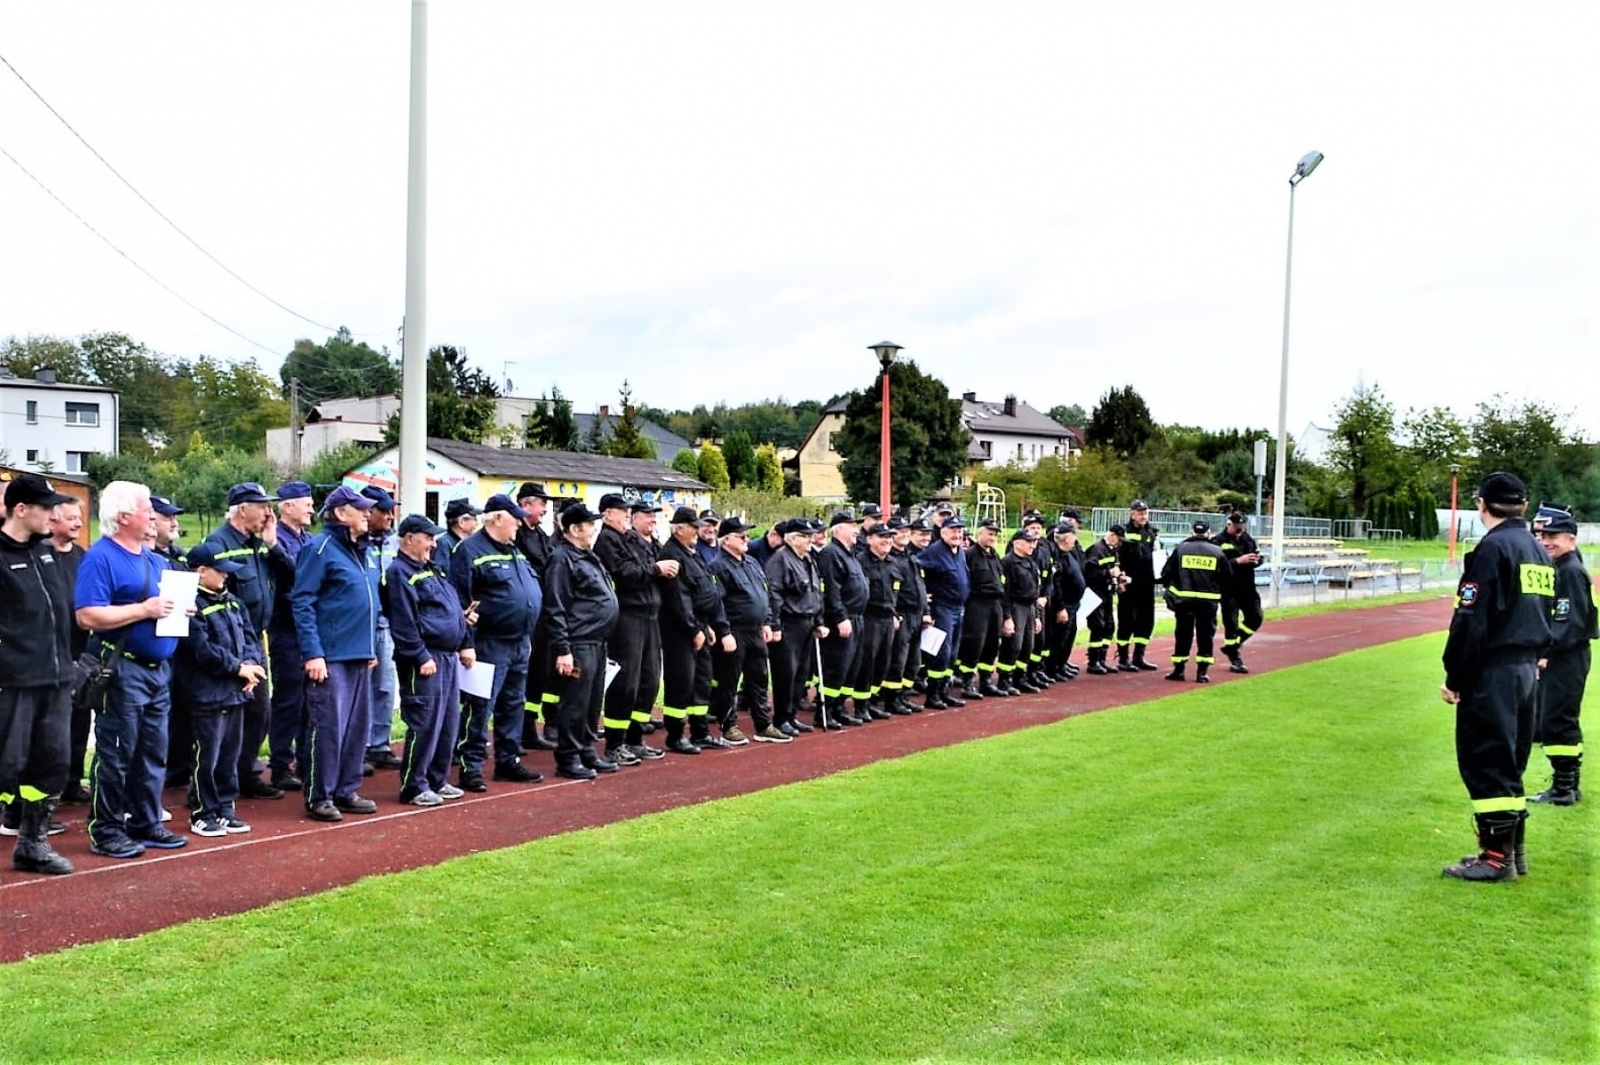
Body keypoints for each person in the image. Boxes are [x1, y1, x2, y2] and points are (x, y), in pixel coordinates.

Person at [1440, 472, 1554, 882]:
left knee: (1486, 758)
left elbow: (1470, 621)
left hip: (1494, 671)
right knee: (1510, 760)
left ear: (1482, 505)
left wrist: (1455, 677)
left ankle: (1495, 857)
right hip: (1526, 670)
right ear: (1523, 506)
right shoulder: (1537, 551)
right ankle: (1513, 851)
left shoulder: (1493, 549)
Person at [76, 480, 189, 858]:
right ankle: (106, 830)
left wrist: (179, 609)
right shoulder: (101, 557)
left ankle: (144, 820)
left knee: (153, 750)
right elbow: (87, 614)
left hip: (158, 670)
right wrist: (144, 610)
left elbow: (162, 604)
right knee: (118, 752)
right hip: (122, 669)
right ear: (124, 517)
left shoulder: (154, 558)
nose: (154, 516)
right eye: (147, 510)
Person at [1, 473, 79, 875]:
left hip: (56, 681)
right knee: (5, 764)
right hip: (13, 683)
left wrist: (76, 664)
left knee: (51, 762)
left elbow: (65, 614)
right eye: (47, 507)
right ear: (21, 509)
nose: (55, 514)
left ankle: (32, 842)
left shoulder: (46, 554)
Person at [290, 486, 383, 823]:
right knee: (328, 727)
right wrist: (313, 653)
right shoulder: (320, 549)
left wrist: (370, 645)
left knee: (357, 727)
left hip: (359, 653)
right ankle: (320, 795)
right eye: (360, 509)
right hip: (330, 656)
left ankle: (346, 788)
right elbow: (302, 602)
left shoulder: (364, 551)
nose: (366, 514)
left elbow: (370, 602)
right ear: (341, 513)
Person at [449, 494, 544, 789]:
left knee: (513, 704)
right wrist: (466, 642)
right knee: (480, 707)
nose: (519, 523)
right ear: (497, 518)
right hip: (489, 643)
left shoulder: (513, 549)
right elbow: (460, 602)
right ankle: (471, 765)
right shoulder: (470, 551)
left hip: (518, 641)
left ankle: (508, 760)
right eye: (514, 518)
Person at [202, 482, 286, 801]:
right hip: (229, 645)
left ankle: (245, 772)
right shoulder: (218, 544)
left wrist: (274, 544)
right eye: (262, 506)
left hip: (256, 640)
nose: (268, 512)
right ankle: (217, 783)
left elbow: (291, 576)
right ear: (242, 509)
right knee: (229, 717)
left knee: (259, 713)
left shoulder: (259, 543)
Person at [382, 514, 473, 807]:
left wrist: (462, 622)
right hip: (425, 658)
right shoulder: (399, 572)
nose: (434, 543)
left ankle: (436, 778)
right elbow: (404, 620)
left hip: (446, 657)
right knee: (425, 719)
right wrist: (419, 655)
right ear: (410, 538)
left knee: (448, 719)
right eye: (428, 537)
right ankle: (414, 784)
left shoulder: (432, 569)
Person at [177, 543, 267, 837]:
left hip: (237, 691)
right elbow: (201, 650)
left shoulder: (234, 602)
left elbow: (251, 639)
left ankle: (226, 808)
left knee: (230, 754)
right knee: (208, 756)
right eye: (220, 571)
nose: (226, 577)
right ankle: (203, 811)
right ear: (201, 572)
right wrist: (238, 668)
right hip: (207, 694)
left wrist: (252, 667)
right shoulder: (190, 605)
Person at [543, 502, 621, 779]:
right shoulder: (562, 559)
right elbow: (556, 606)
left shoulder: (586, 556)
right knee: (574, 701)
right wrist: (563, 649)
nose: (594, 530)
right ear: (575, 529)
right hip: (578, 644)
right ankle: (568, 756)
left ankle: (586, 749)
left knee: (591, 702)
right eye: (590, 525)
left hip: (597, 641)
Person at [594, 495, 673, 765]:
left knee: (649, 681)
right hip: (628, 616)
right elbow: (624, 572)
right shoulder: (607, 539)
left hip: (649, 615)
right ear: (608, 514)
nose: (627, 515)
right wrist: (655, 569)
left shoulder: (631, 538)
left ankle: (635, 738)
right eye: (622, 511)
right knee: (626, 682)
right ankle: (615, 743)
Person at [1529, 503, 1594, 805]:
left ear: (1571, 538)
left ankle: (1564, 788)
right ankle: (1566, 785)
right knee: (1555, 718)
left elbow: (1569, 623)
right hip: (1564, 655)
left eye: (1552, 535)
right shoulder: (1563, 567)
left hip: (1566, 657)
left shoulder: (1570, 571)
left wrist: (1544, 651)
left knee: (1558, 721)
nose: (1545, 541)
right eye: (1541, 534)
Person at [659, 505, 734, 751]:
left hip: (700, 625)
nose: (697, 532)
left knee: (701, 681)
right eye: (694, 528)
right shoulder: (671, 553)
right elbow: (678, 599)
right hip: (681, 631)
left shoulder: (691, 552)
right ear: (680, 529)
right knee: (681, 682)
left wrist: (707, 626)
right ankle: (675, 735)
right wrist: (694, 630)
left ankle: (700, 731)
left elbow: (705, 590)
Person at [266, 480, 316, 791]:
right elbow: (300, 578)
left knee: (309, 700)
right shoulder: (275, 540)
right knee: (288, 698)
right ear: (287, 507)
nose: (311, 507)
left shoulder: (306, 538)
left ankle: (303, 759)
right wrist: (273, 547)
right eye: (305, 502)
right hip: (286, 628)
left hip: (307, 628)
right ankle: (281, 764)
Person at [707, 515, 771, 742]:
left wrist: (767, 621)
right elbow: (717, 603)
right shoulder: (718, 566)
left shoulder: (751, 563)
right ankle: (728, 726)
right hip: (735, 631)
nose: (747, 538)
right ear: (726, 541)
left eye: (747, 534)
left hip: (755, 630)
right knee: (728, 681)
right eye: (741, 535)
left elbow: (764, 593)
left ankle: (764, 725)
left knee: (759, 679)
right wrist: (725, 632)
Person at [49, 497, 94, 805]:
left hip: (79, 652)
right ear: (52, 521)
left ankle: (73, 782)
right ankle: (45, 790)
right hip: (48, 654)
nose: (78, 523)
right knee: (51, 727)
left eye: (80, 517)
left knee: (80, 721)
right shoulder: (40, 557)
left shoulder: (83, 557)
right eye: (71, 518)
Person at [765, 520, 823, 738]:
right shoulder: (780, 559)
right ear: (793, 538)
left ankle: (791, 715)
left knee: (801, 673)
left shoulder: (807, 559)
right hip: (789, 623)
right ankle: (781, 718)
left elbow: (816, 592)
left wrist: (818, 621)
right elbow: (775, 594)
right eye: (805, 536)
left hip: (807, 622)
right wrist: (775, 625)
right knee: (785, 673)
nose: (810, 540)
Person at [513, 482, 559, 754]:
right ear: (525, 504)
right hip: (527, 616)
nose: (544, 509)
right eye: (541, 503)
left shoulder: (540, 534)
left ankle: (529, 728)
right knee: (524, 674)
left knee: (540, 674)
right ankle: (519, 731)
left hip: (544, 614)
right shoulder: (517, 534)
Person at [359, 487, 403, 771]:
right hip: (361, 624)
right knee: (360, 688)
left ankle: (380, 744)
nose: (390, 516)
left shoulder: (394, 543)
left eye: (391, 510)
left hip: (386, 624)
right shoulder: (355, 541)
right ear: (368, 512)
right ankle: (359, 746)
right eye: (384, 511)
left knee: (385, 687)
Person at [816, 511, 869, 728]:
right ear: (838, 529)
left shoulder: (849, 553)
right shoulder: (831, 553)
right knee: (836, 667)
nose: (857, 530)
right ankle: (825, 710)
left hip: (857, 618)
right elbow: (831, 589)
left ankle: (839, 708)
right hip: (843, 620)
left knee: (851, 668)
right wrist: (840, 616)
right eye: (851, 526)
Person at [1160, 521, 1230, 683]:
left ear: (1192, 532)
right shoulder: (1217, 552)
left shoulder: (1181, 549)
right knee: (1205, 636)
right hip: (1208, 602)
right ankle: (1202, 673)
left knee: (1183, 634)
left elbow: (1166, 574)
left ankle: (1179, 670)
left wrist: (1170, 588)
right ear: (1208, 532)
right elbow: (1227, 578)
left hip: (1184, 601)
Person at [849, 522, 903, 718]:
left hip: (888, 619)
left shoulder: (892, 562)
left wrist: (895, 614)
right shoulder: (861, 561)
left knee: (882, 663)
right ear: (870, 539)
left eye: (889, 537)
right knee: (866, 663)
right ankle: (860, 705)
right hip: (869, 618)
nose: (887, 541)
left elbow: (895, 593)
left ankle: (871, 701)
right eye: (882, 537)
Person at [917, 515, 970, 709]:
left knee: (953, 653)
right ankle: (933, 694)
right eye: (953, 531)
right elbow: (915, 569)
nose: (957, 535)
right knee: (942, 652)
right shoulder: (934, 552)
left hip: (958, 608)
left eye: (959, 531)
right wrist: (924, 597)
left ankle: (944, 691)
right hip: (942, 608)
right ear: (943, 532)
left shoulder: (960, 552)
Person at [957, 519, 1008, 700]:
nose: (992, 537)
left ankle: (986, 681)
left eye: (994, 534)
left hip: (995, 604)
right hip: (977, 604)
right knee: (974, 643)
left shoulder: (995, 556)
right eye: (989, 533)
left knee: (992, 643)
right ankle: (967, 682)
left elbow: (1002, 582)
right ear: (980, 533)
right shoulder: (969, 554)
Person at [886, 517, 931, 713]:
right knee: (898, 660)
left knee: (913, 661)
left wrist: (926, 612)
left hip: (917, 614)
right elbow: (891, 592)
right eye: (899, 532)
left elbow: (921, 587)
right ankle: (892, 699)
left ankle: (903, 695)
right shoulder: (891, 560)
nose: (904, 535)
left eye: (906, 531)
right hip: (903, 614)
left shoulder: (912, 557)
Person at [1213, 512, 1265, 674]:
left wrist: (1257, 560)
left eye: (1242, 528)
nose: (1240, 531)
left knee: (1256, 617)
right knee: (1231, 623)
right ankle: (1235, 659)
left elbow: (1257, 555)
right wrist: (1237, 561)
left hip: (1247, 586)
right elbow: (1217, 566)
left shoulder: (1247, 538)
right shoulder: (1217, 541)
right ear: (1229, 524)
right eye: (1237, 528)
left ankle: (1233, 645)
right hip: (1229, 588)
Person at [1115, 500, 1161, 671]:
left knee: (1146, 620)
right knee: (1127, 620)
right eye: (1140, 513)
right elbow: (1117, 555)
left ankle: (1139, 656)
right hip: (1128, 583)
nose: (1143, 516)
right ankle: (1123, 657)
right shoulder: (1124, 531)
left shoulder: (1151, 532)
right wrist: (1119, 577)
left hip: (1147, 584)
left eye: (1145, 513)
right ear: (1132, 514)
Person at [997, 529, 1043, 695]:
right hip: (1015, 606)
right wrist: (1007, 617)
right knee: (1013, 645)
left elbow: (1035, 590)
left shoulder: (1031, 562)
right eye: (1028, 542)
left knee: (1027, 646)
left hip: (1029, 607)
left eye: (1033, 542)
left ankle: (1019, 678)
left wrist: (1037, 616)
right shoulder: (1008, 562)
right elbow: (1005, 592)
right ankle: (1004, 679)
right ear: (1017, 543)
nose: (1032, 545)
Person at [1082, 526, 1125, 675]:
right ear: (1112, 535)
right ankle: (1093, 661)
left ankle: (1102, 659)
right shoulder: (1096, 549)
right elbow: (1088, 572)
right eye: (1119, 539)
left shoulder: (1111, 550)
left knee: (1109, 626)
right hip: (1095, 593)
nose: (1120, 543)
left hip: (1107, 593)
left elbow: (1114, 569)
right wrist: (1108, 573)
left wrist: (1119, 579)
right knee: (1098, 626)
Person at [1047, 522, 1086, 681]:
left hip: (1073, 604)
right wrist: (1060, 607)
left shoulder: (1068, 553)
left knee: (1068, 636)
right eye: (1072, 536)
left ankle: (1061, 665)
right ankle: (1053, 668)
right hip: (1064, 605)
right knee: (1059, 638)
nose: (1075, 540)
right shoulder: (1056, 556)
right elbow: (1056, 585)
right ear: (1065, 538)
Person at [432, 498, 480, 569]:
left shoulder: (465, 544)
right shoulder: (443, 544)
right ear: (461, 522)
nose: (477, 523)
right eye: (474, 519)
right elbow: (441, 574)